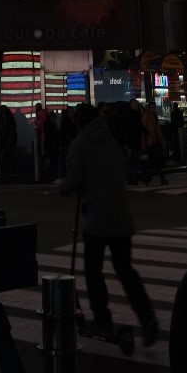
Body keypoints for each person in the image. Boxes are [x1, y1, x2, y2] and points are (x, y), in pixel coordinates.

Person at [60, 101, 159, 347]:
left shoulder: (80, 144)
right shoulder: (110, 140)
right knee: (125, 270)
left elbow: (73, 180)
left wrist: (64, 187)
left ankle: (103, 319)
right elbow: (122, 167)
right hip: (120, 215)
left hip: (97, 216)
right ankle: (147, 318)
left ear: (80, 122)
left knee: (93, 271)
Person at [141, 102, 169, 186]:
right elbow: (143, 132)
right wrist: (143, 144)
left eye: (154, 107)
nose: (153, 109)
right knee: (155, 161)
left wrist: (162, 140)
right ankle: (158, 178)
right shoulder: (145, 118)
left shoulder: (154, 117)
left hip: (154, 142)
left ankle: (149, 178)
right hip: (150, 143)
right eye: (152, 108)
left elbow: (158, 131)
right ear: (148, 108)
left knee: (155, 161)